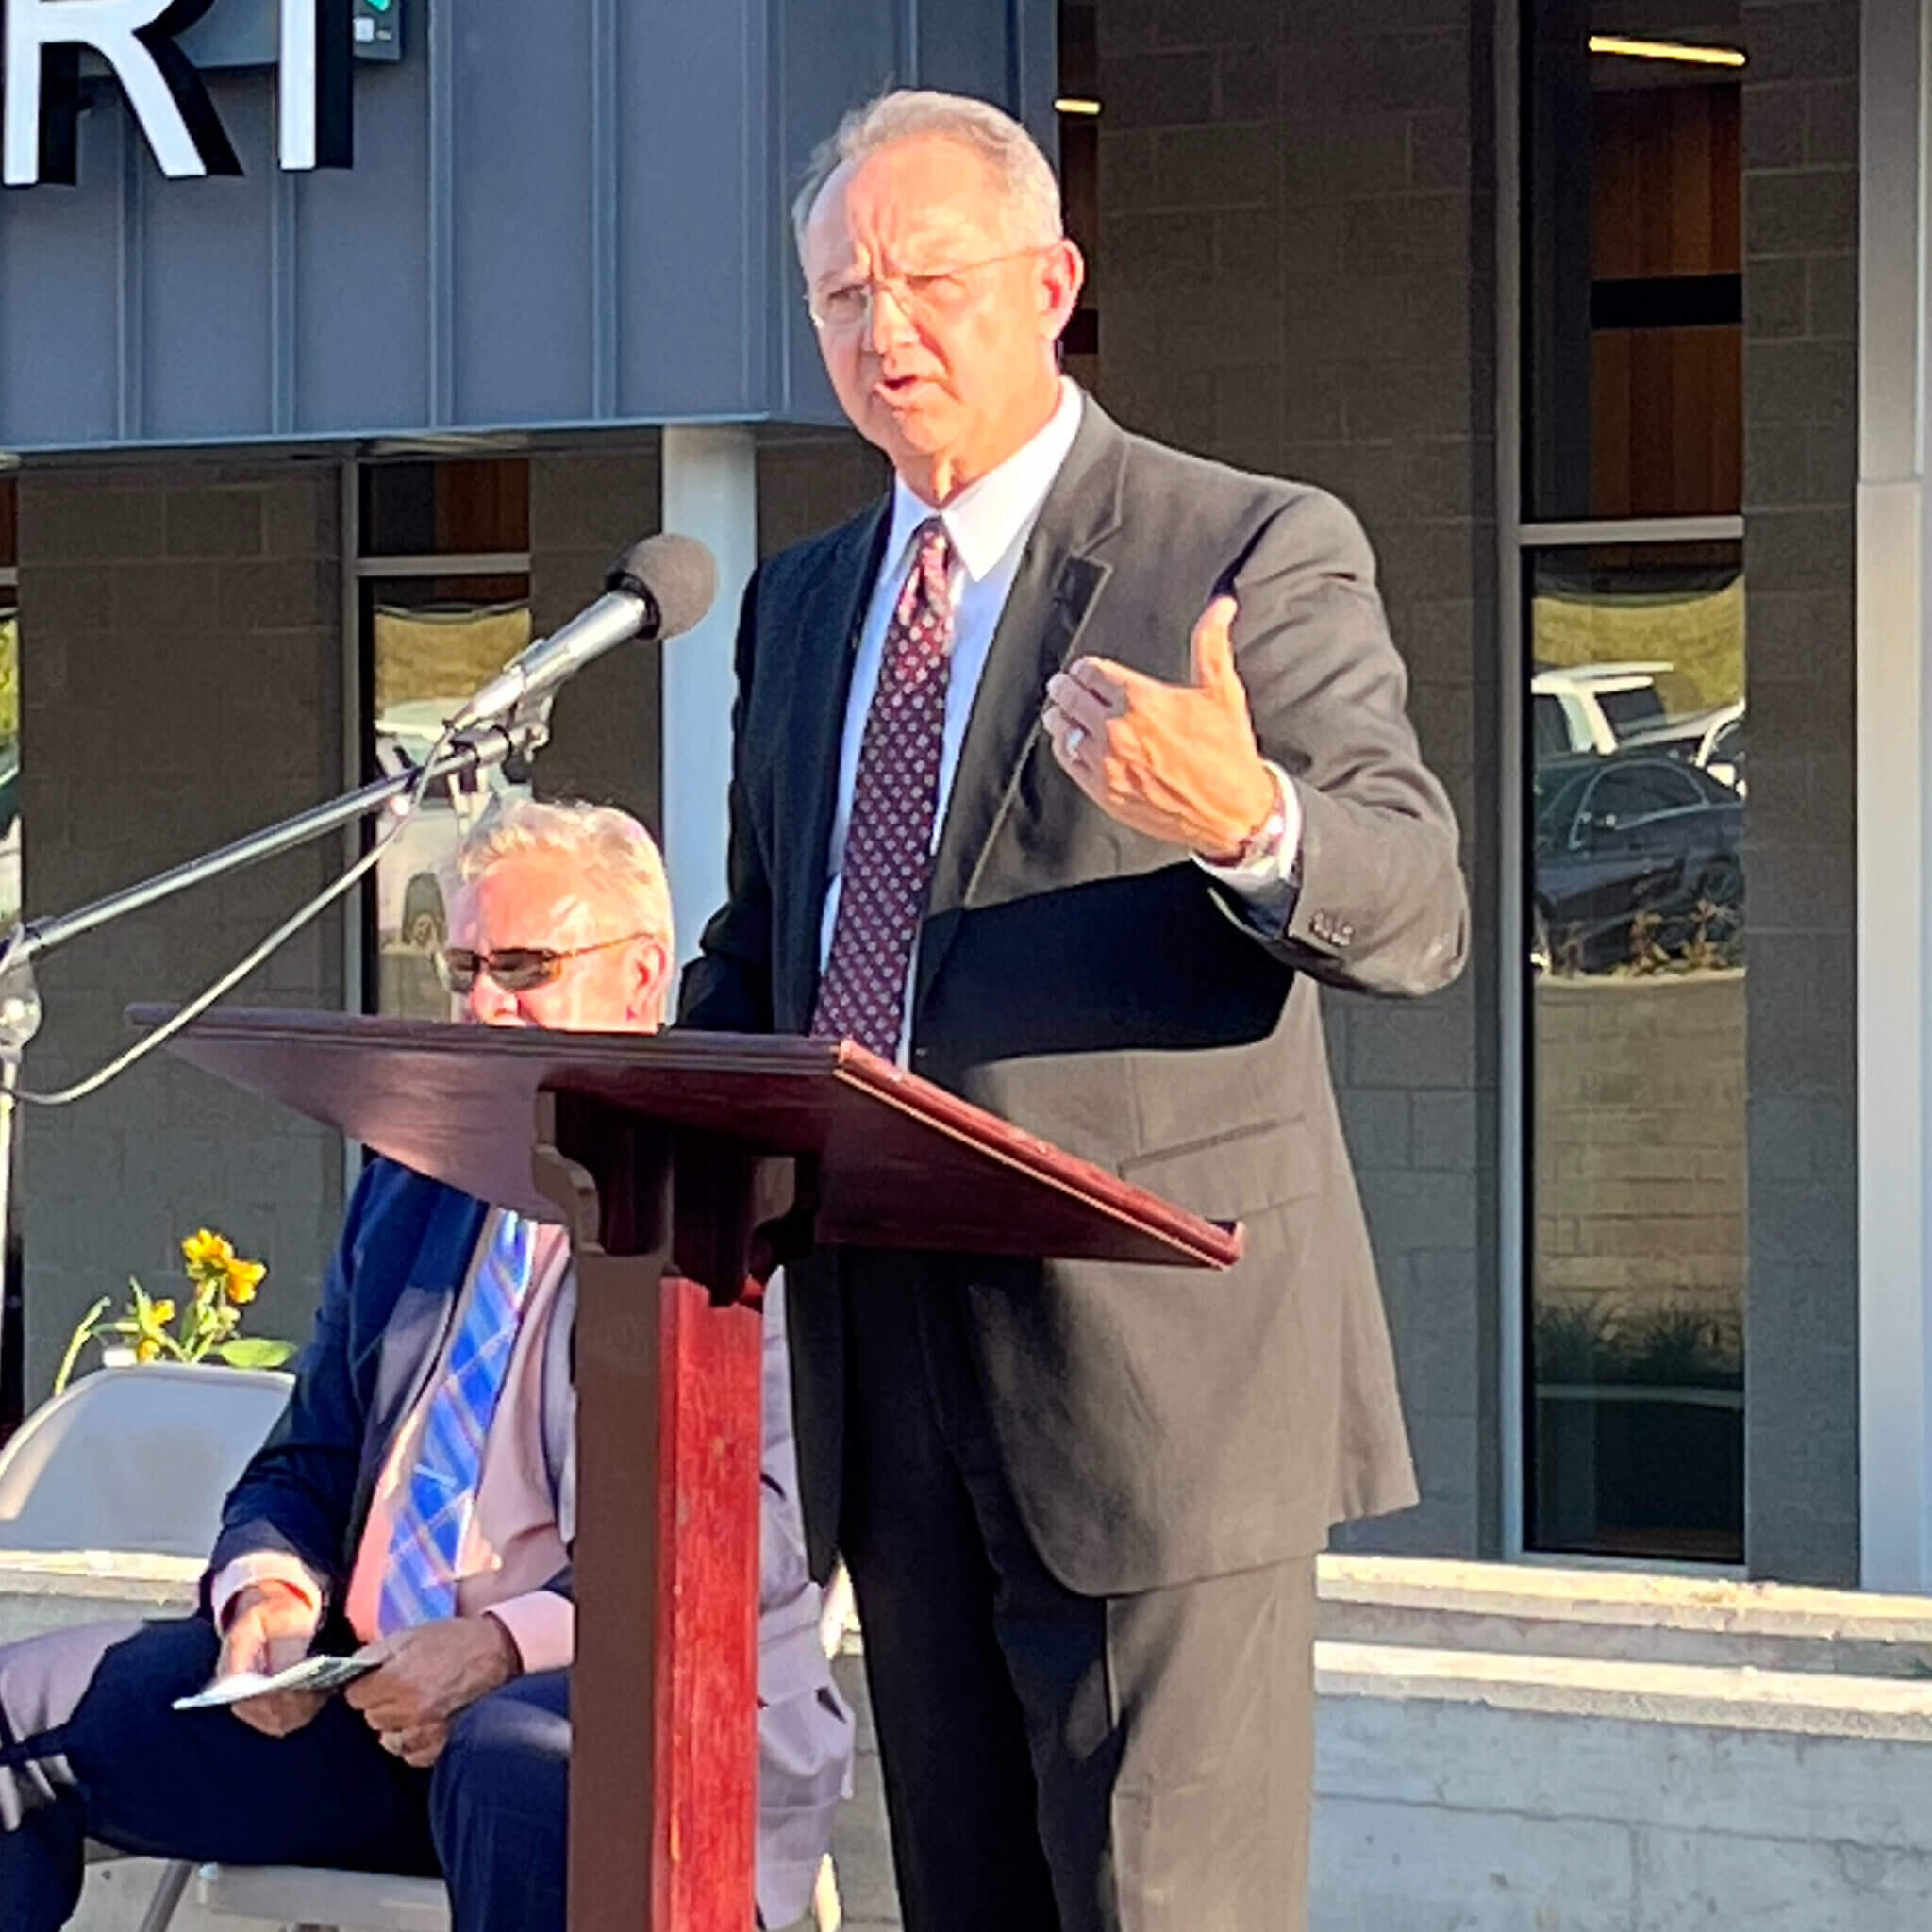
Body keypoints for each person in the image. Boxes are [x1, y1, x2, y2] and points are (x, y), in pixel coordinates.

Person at [676, 88, 1469, 1932]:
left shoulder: (1242, 545)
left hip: (1155, 1384)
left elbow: (1415, 895)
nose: (884, 332)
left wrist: (1248, 820)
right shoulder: (803, 604)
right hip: (881, 1366)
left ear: (1050, 282)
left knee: (1156, 1907)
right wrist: (612, 1082)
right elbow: (766, 948)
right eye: (841, 297)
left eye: (926, 279)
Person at [0, 799, 852, 1932]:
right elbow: (306, 1455)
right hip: (360, 1702)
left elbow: (749, 1537)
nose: (484, 1002)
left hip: (619, 1719)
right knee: (17, 1707)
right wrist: (270, 1590)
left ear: (642, 979)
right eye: (462, 968)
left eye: (525, 965)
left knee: (511, 1762)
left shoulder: (739, 1204)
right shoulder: (416, 1181)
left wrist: (498, 1644)